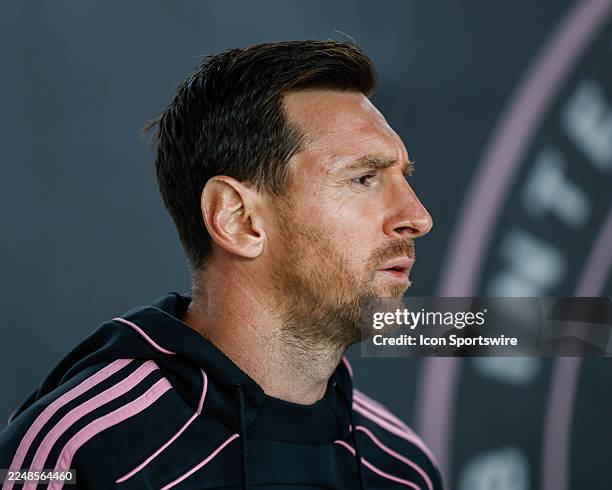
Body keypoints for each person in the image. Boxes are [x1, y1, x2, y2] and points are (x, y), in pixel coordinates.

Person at [0, 40, 442, 489]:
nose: (418, 218)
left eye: (403, 177)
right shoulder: (78, 452)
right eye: (363, 178)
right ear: (238, 219)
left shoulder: (404, 467)